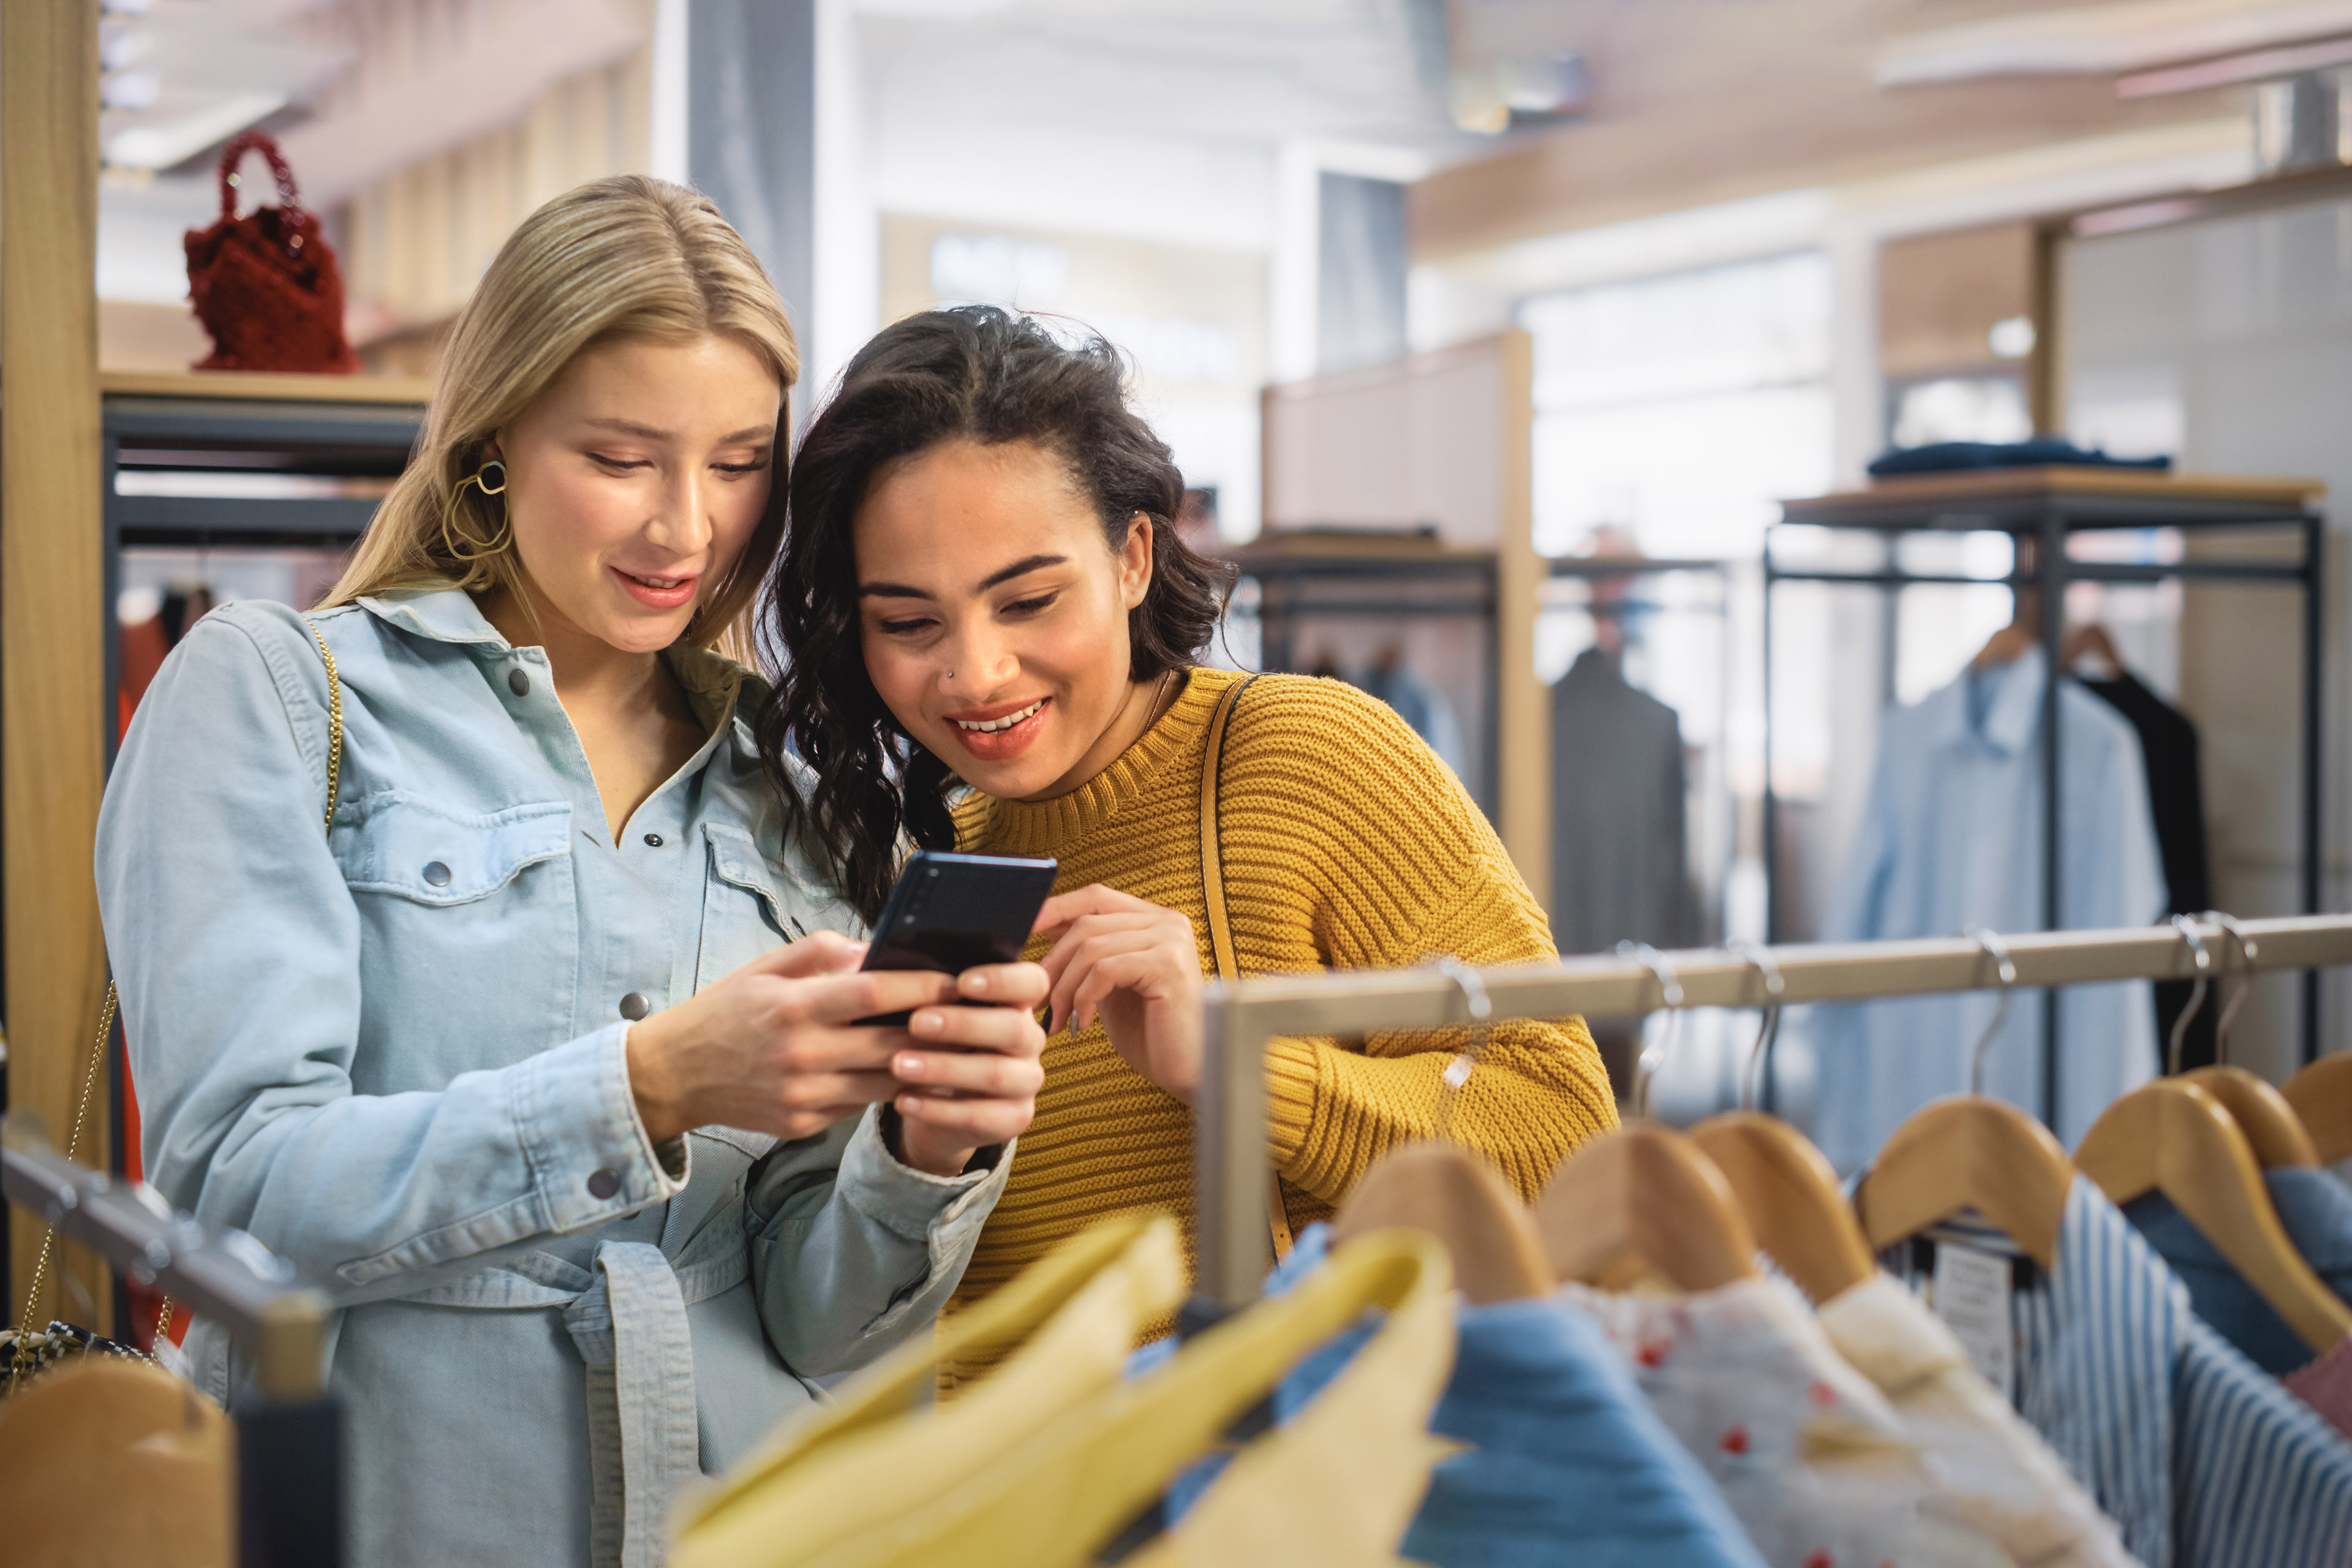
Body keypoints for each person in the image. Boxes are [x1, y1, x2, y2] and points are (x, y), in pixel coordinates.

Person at [97, 179, 1049, 1568]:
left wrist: (926, 1149)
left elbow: (820, 1317)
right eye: (621, 457)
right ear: (494, 434)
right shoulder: (277, 695)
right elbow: (234, 1190)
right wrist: (647, 1083)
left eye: (737, 463)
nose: (687, 528)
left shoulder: (792, 771)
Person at [760, 305, 1618, 1376]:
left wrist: (1236, 1063)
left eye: (1027, 600)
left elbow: (1571, 1151)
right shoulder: (922, 870)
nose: (974, 674)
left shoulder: (1309, 757)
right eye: (909, 623)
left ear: (1131, 557)